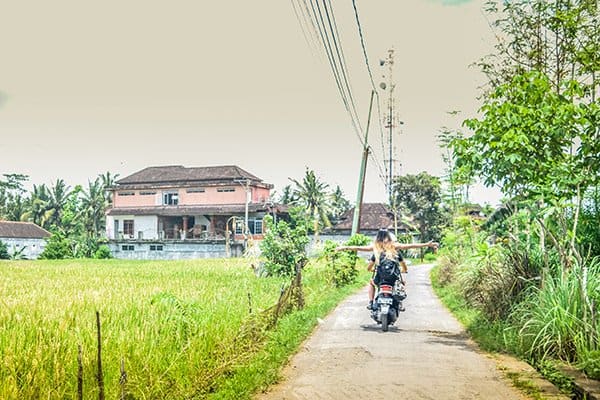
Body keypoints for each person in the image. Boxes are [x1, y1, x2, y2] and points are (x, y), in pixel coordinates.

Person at [336, 229, 438, 310]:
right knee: (402, 282)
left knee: (372, 283)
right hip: (393, 277)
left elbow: (357, 248)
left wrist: (343, 247)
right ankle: (400, 303)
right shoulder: (394, 246)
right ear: (389, 237)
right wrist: (427, 244)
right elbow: (410, 246)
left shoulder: (375, 247)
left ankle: (371, 302)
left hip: (380, 277)